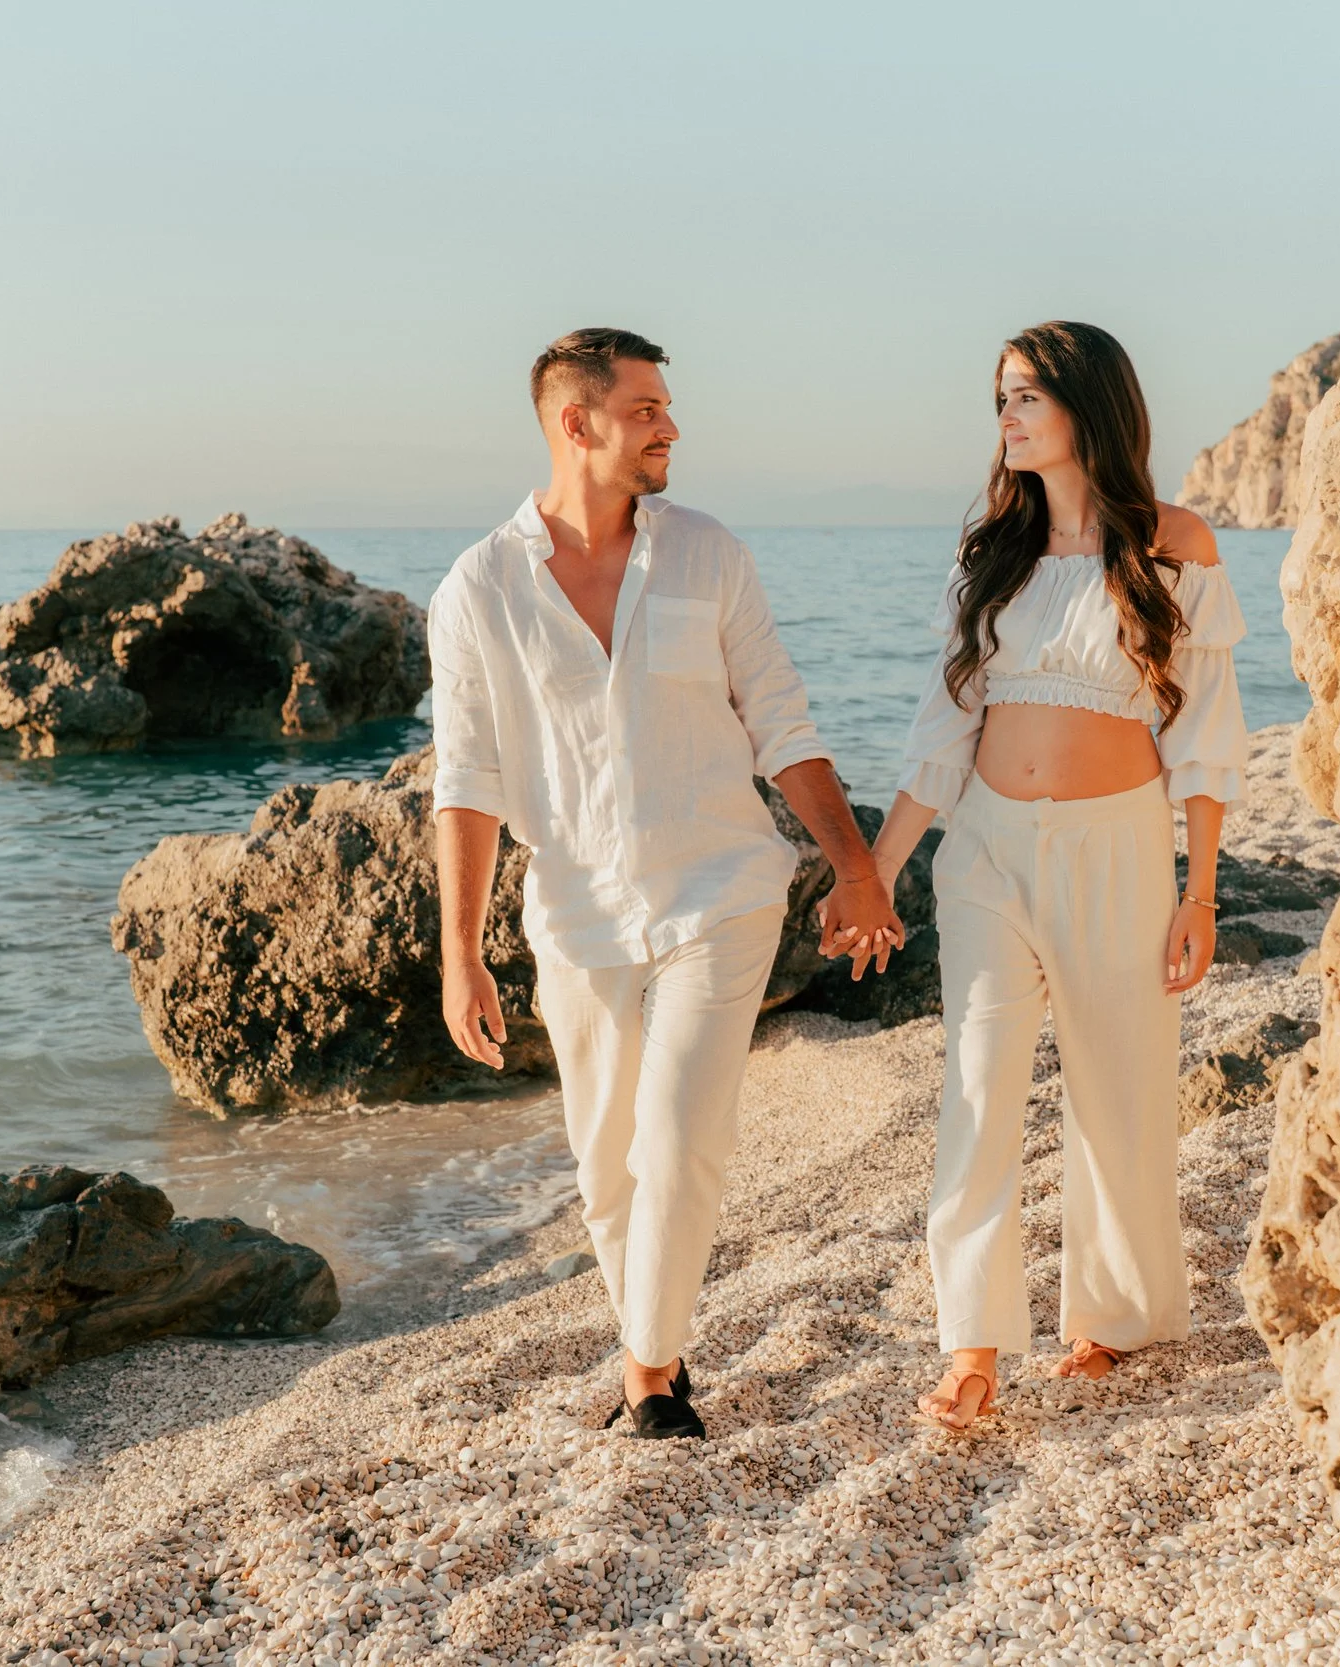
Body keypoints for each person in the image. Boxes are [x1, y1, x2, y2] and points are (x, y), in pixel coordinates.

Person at [427, 327, 901, 1440]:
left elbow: (780, 719)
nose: (671, 428)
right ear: (574, 423)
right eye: (646, 410)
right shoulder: (478, 588)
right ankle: (660, 1348)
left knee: (680, 1130)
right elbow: (467, 781)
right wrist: (461, 953)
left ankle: (647, 1375)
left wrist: (855, 864)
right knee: (605, 1165)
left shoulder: (709, 554)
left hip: (721, 889)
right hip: (578, 911)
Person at [865, 320, 1247, 1432]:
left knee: (1118, 1084)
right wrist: (880, 870)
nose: (1008, 416)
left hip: (1117, 843)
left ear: (1088, 404)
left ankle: (1114, 1318)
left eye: (1027, 394)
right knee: (977, 1088)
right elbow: (942, 731)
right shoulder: (991, 547)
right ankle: (970, 1340)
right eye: (1001, 398)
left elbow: (1209, 735)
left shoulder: (1177, 542)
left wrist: (1200, 887)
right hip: (984, 846)